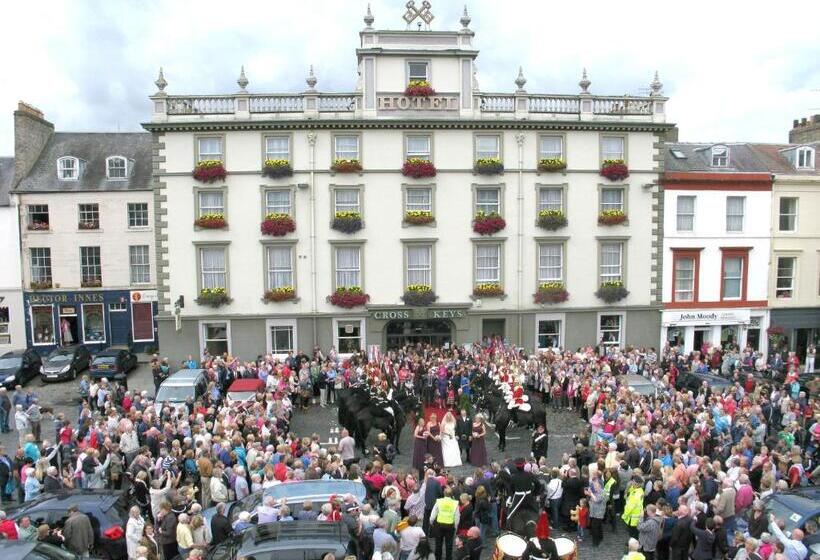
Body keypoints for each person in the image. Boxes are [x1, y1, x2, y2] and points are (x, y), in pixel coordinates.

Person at [429, 486, 460, 560]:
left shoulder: (439, 501)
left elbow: (433, 513)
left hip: (439, 525)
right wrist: (456, 526)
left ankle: (438, 557)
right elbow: (457, 516)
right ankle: (448, 558)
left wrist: (431, 521)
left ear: (444, 493)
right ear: (451, 494)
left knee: (438, 543)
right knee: (449, 544)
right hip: (450, 525)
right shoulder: (455, 503)